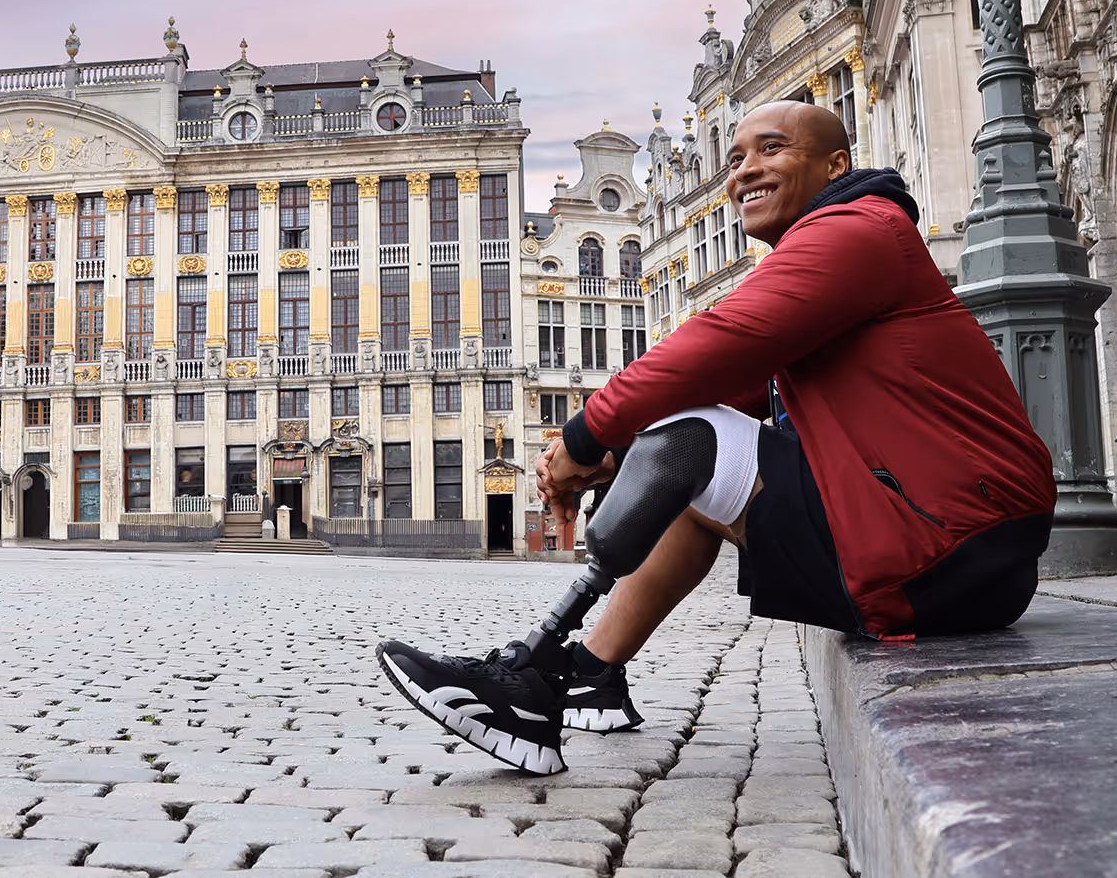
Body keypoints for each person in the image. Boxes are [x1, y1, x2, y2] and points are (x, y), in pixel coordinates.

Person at [377, 102, 1056, 774]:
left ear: (835, 165)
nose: (743, 172)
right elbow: (732, 389)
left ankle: (536, 675)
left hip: (949, 549)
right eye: (734, 159)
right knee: (682, 445)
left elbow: (716, 346)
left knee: (686, 438)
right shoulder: (845, 239)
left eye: (771, 149)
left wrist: (585, 436)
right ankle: (585, 674)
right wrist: (612, 457)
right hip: (960, 546)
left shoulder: (858, 230)